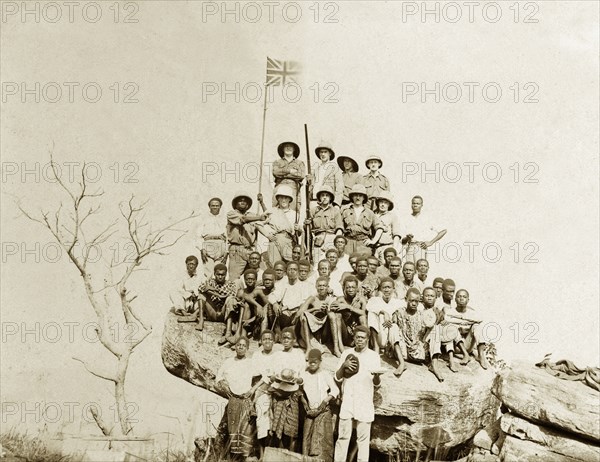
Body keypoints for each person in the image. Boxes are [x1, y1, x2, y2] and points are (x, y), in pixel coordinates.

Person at [334, 326, 383, 462]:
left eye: (362, 338)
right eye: (357, 337)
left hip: (364, 400)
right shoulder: (346, 353)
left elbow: (377, 384)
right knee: (343, 437)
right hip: (348, 399)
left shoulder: (373, 356)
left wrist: (377, 376)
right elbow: (337, 378)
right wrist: (343, 365)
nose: (359, 340)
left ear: (367, 339)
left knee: (363, 440)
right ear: (353, 338)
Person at [215, 337, 259, 459]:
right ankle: (233, 458)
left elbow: (265, 376)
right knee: (232, 430)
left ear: (247, 348)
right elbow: (218, 378)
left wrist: (253, 389)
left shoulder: (251, 362)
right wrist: (224, 387)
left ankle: (246, 457)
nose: (240, 347)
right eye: (238, 345)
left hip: (245, 400)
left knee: (246, 431)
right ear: (235, 347)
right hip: (233, 400)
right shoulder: (228, 362)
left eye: (243, 345)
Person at [396, 288, 445, 382]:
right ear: (406, 299)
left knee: (435, 328)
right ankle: (401, 364)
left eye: (416, 301)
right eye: (411, 300)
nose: (414, 303)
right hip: (404, 351)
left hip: (418, 351)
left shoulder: (422, 314)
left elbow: (426, 330)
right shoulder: (399, 312)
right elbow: (392, 325)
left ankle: (434, 365)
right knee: (393, 327)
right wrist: (384, 313)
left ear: (419, 302)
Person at [269, 327, 306, 451]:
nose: (285, 340)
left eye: (288, 338)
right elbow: (271, 374)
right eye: (283, 338)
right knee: (276, 427)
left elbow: (302, 376)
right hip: (278, 394)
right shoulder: (277, 355)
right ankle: (276, 455)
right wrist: (274, 377)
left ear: (294, 340)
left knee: (291, 429)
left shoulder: (299, 354)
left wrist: (298, 380)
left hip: (292, 395)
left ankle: (288, 455)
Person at [300, 349, 339, 462]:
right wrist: (304, 402)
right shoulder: (304, 374)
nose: (312, 364)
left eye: (315, 362)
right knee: (307, 440)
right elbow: (299, 389)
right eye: (310, 362)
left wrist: (324, 402)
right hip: (310, 412)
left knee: (321, 441)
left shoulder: (325, 374)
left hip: (323, 412)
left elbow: (335, 390)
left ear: (320, 362)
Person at [227, 191, 270, 280]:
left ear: (247, 204)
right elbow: (243, 219)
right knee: (234, 278)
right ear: (236, 203)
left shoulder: (252, 215)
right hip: (237, 250)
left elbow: (267, 218)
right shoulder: (231, 214)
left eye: (245, 201)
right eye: (240, 201)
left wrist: (262, 203)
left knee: (256, 276)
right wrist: (259, 217)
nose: (243, 202)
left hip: (250, 250)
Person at [366, 278, 404, 377]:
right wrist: (384, 312)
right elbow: (368, 307)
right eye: (384, 288)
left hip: (391, 338)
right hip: (379, 336)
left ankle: (401, 363)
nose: (386, 290)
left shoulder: (398, 302)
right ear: (380, 289)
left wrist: (395, 315)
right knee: (372, 314)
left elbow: (404, 310)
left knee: (394, 326)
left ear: (393, 289)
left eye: (389, 287)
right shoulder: (374, 300)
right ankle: (376, 351)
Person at [445, 289, 490, 370]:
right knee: (451, 327)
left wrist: (462, 318)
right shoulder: (450, 311)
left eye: (464, 297)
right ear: (455, 299)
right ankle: (465, 355)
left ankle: (481, 356)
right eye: (459, 296)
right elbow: (447, 319)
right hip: (455, 346)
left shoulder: (472, 312)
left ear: (468, 300)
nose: (461, 298)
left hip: (467, 345)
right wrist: (466, 322)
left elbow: (480, 319)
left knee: (476, 326)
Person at [259, 185, 303, 266]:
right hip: (274, 241)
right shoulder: (272, 211)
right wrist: (267, 235)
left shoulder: (295, 214)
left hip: (289, 242)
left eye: (286, 198)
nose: (283, 200)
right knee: (275, 266)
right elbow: (258, 224)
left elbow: (299, 233)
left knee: (291, 265)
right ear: (278, 199)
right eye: (281, 197)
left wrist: (299, 229)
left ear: (290, 199)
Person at [251, 330, 277, 458]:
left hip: (273, 389)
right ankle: (261, 454)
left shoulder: (277, 356)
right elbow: (255, 373)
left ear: (274, 341)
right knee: (262, 421)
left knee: (272, 422)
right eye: (265, 339)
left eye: (270, 339)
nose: (267, 341)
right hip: (259, 389)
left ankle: (270, 453)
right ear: (261, 341)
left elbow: (274, 375)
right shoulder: (256, 355)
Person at [401, 196, 447, 264]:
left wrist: (431, 242)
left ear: (422, 205)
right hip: (409, 247)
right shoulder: (406, 218)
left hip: (420, 247)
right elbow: (402, 241)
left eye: (418, 203)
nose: (415, 205)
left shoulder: (426, 218)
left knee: (420, 269)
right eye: (413, 203)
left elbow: (443, 231)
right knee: (409, 270)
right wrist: (407, 238)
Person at [329, 276, 368, 356]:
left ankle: (366, 346)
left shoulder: (361, 299)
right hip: (344, 334)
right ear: (344, 288)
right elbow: (332, 309)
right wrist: (339, 306)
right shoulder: (340, 299)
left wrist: (349, 307)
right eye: (348, 287)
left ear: (357, 288)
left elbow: (364, 313)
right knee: (337, 315)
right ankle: (339, 347)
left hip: (357, 334)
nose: (350, 290)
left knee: (362, 317)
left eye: (353, 287)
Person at [306, 185, 343, 264]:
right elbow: (308, 229)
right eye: (322, 195)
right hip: (317, 240)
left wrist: (334, 241)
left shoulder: (335, 211)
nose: (325, 197)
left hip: (331, 239)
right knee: (317, 264)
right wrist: (306, 224)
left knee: (331, 263)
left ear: (330, 198)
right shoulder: (313, 211)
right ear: (319, 197)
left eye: (327, 195)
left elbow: (339, 228)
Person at [341, 184, 383, 256]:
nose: (358, 198)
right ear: (352, 197)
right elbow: (340, 228)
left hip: (363, 244)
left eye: (360, 195)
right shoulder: (345, 211)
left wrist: (373, 241)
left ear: (364, 198)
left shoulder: (370, 213)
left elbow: (380, 228)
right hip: (348, 243)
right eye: (355, 195)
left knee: (363, 265)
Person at [198, 263, 238, 339]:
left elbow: (230, 293)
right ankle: (201, 320)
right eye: (218, 274)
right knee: (201, 295)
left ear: (226, 274)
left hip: (223, 313)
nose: (220, 277)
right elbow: (200, 288)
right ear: (214, 274)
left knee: (231, 299)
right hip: (212, 311)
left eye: (222, 275)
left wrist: (211, 289)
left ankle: (228, 332)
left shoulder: (230, 283)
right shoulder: (210, 281)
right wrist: (216, 292)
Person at [269, 261, 307, 334]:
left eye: (295, 269)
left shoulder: (304, 286)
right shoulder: (282, 284)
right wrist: (275, 304)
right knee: (270, 306)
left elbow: (303, 303)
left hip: (296, 314)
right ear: (286, 272)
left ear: (298, 272)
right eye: (290, 269)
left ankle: (293, 334)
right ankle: (278, 333)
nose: (292, 271)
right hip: (283, 314)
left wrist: (287, 307)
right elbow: (272, 296)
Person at [298, 277, 335, 351]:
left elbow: (333, 317)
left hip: (325, 331)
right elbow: (300, 313)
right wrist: (315, 308)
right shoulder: (313, 299)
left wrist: (327, 310)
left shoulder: (331, 299)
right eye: (319, 286)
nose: (321, 288)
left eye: (324, 286)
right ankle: (308, 345)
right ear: (316, 287)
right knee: (304, 317)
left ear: (327, 287)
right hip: (313, 330)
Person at [196, 197, 228, 278]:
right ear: (209, 206)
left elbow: (228, 236)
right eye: (212, 205)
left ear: (220, 206)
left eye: (217, 205)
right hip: (208, 245)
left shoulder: (225, 219)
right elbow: (198, 235)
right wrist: (202, 249)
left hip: (221, 245)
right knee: (208, 272)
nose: (215, 207)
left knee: (220, 272)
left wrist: (227, 252)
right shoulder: (203, 218)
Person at [309, 142, 344, 207]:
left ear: (330, 153)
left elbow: (339, 188)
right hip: (314, 201)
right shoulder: (315, 168)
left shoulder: (335, 168)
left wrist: (336, 204)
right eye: (321, 152)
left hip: (328, 203)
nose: (323, 154)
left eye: (325, 152)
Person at [272, 141, 306, 207]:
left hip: (293, 186)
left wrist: (282, 174)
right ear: (282, 149)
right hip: (280, 185)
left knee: (293, 211)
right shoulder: (277, 162)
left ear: (294, 149)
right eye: (286, 146)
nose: (288, 148)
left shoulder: (299, 163)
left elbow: (301, 175)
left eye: (291, 146)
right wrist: (289, 171)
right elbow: (275, 172)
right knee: (275, 210)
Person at [170, 256, 204, 320]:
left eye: (193, 264)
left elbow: (204, 287)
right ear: (186, 265)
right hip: (186, 301)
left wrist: (196, 294)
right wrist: (189, 295)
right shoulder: (181, 275)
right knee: (173, 292)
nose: (191, 266)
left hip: (196, 302)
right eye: (189, 264)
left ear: (196, 265)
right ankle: (183, 311)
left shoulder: (201, 275)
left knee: (204, 296)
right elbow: (179, 288)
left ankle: (197, 313)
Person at [372, 191, 401, 264]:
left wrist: (394, 249)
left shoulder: (392, 216)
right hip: (373, 248)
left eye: (385, 203)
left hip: (386, 247)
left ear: (389, 205)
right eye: (381, 202)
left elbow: (396, 235)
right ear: (378, 203)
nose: (382, 204)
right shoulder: (372, 214)